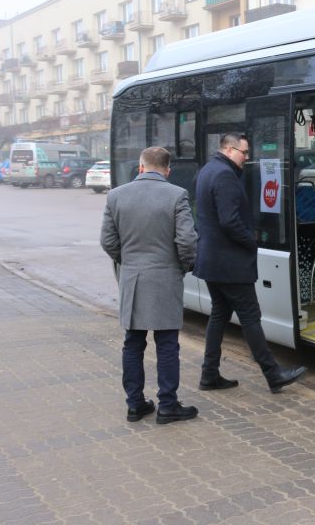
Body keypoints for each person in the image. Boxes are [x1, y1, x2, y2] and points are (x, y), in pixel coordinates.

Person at [193, 133, 307, 393]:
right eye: (244, 152)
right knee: (250, 317)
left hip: (212, 261)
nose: (247, 157)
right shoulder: (224, 175)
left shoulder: (208, 170)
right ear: (230, 149)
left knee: (219, 315)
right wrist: (251, 241)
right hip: (230, 263)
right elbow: (229, 221)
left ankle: (209, 374)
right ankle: (273, 373)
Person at [100, 147, 199, 425]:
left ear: (140, 167)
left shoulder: (116, 196)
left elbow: (107, 241)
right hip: (166, 278)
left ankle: (135, 405)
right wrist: (181, 266)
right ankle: (168, 405)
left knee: (132, 344)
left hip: (132, 280)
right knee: (167, 345)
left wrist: (128, 262)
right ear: (168, 170)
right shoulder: (177, 195)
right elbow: (188, 242)